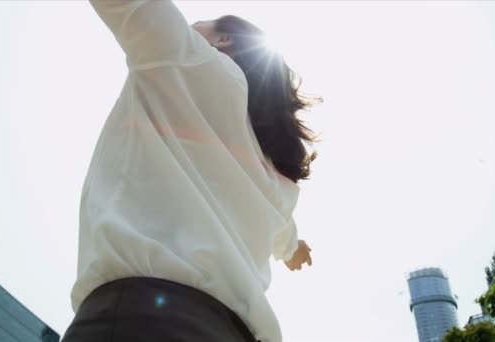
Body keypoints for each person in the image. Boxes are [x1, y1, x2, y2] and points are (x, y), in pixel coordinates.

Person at [62, 1, 319, 341]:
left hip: (143, 319)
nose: (190, 27)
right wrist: (293, 249)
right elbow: (283, 229)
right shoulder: (273, 171)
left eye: (199, 23)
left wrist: (291, 247)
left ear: (224, 40)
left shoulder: (190, 59)